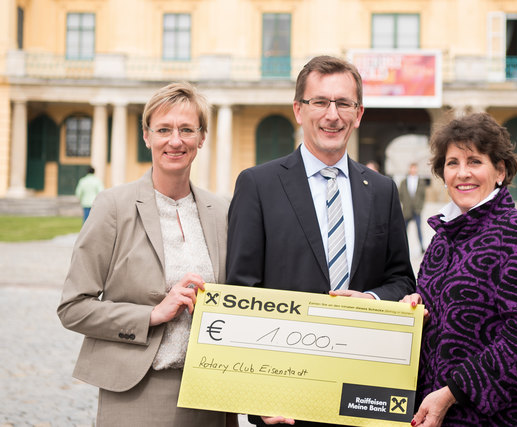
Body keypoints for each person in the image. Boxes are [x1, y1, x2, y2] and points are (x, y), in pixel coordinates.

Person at [226, 55, 416, 427]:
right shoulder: (257, 185)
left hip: (365, 396)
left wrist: (372, 300)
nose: (333, 114)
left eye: (344, 103)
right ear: (299, 110)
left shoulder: (381, 190)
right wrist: (258, 398)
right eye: (320, 102)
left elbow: (402, 280)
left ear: (358, 114)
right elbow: (241, 293)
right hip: (287, 403)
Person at [58, 82, 237, 427]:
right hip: (137, 392)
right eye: (164, 129)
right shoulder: (113, 206)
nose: (175, 140)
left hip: (210, 397)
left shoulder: (223, 211)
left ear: (202, 138)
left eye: (187, 130)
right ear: (146, 136)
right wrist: (152, 315)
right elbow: (73, 308)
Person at [403, 112, 517, 426]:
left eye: (475, 161)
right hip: (437, 415)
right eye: (452, 163)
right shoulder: (441, 240)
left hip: (507, 418)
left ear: (500, 171)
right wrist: (409, 311)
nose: (462, 174)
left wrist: (452, 392)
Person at [399, 162, 427, 250]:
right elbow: (400, 195)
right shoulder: (404, 181)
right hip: (407, 209)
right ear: (409, 169)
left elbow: (423, 196)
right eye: (412, 168)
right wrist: (405, 203)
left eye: (415, 168)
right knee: (404, 230)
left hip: (417, 209)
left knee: (419, 229)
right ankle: (401, 247)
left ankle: (421, 246)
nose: (413, 170)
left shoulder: (421, 181)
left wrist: (420, 207)